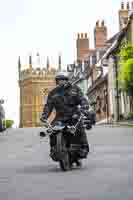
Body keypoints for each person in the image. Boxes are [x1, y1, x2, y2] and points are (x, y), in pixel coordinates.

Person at [40, 72, 90, 163]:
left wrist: (84, 107)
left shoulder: (75, 89)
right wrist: (44, 116)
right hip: (60, 117)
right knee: (52, 130)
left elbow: (82, 99)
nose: (60, 82)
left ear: (66, 80)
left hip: (74, 115)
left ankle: (83, 147)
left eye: (62, 80)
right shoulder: (53, 93)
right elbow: (48, 106)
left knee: (79, 128)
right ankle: (54, 149)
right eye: (58, 80)